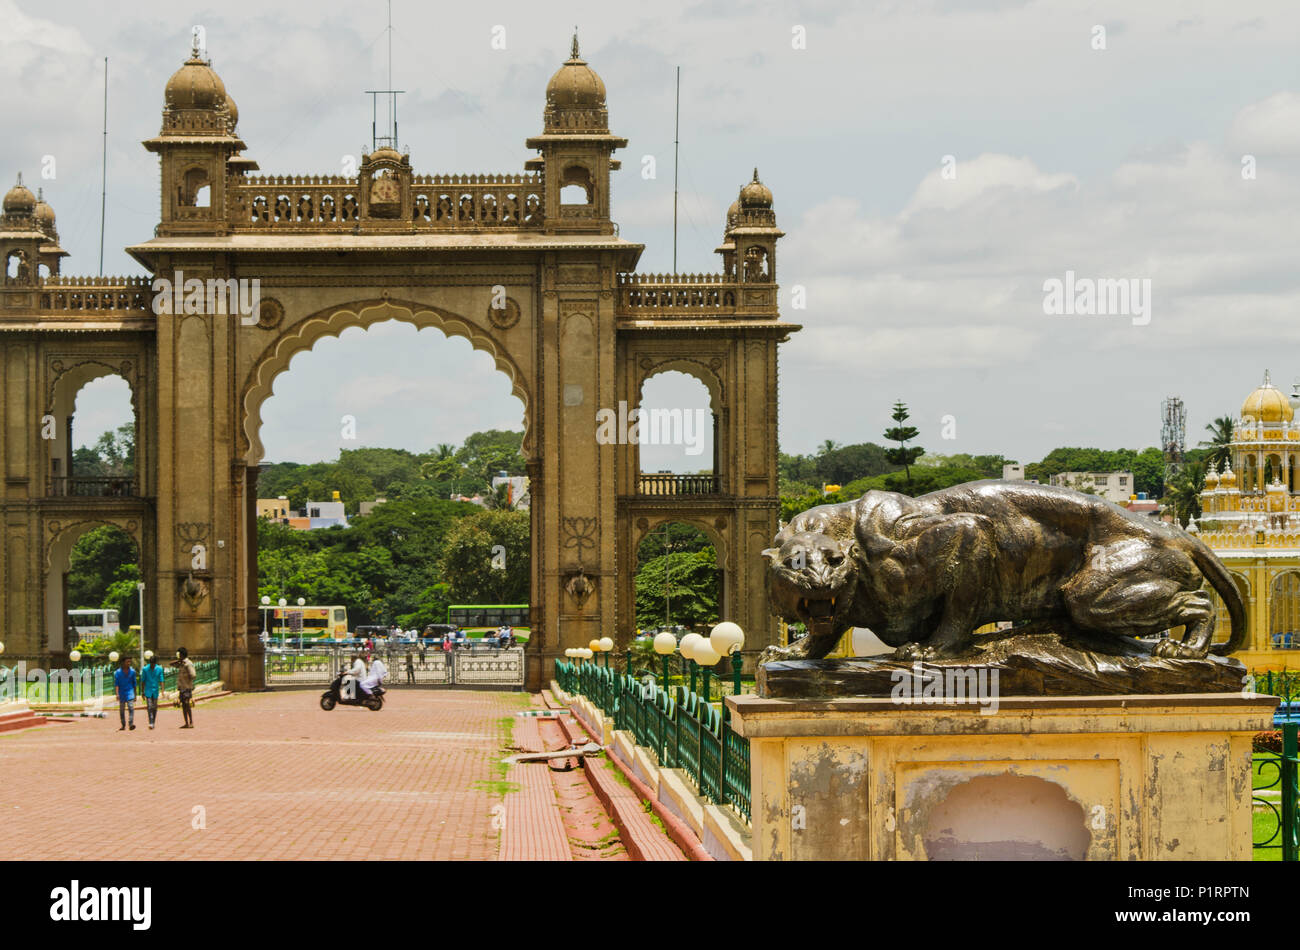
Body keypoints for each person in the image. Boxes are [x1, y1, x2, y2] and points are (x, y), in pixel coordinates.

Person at [171, 647, 197, 728]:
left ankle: (191, 722)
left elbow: (193, 675)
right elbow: (171, 664)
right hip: (181, 688)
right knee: (183, 706)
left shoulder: (188, 664)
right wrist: (179, 661)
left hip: (187, 687)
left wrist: (187, 677)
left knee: (187, 704)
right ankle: (186, 723)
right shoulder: (181, 663)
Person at [140, 655, 166, 729]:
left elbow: (161, 680)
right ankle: (150, 722)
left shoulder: (159, 669)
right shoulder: (145, 669)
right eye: (151, 663)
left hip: (155, 690)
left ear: (155, 663)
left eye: (153, 664)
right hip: (148, 690)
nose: (152, 665)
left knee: (154, 707)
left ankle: (153, 721)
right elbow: (143, 681)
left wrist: (163, 691)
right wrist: (142, 692)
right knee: (149, 706)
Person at [113, 657, 137, 731]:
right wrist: (117, 694)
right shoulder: (118, 672)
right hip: (122, 692)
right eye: (127, 662)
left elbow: (134, 684)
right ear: (123, 662)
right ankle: (123, 724)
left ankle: (131, 724)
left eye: (130, 662)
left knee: (131, 708)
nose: (129, 663)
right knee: (122, 710)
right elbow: (116, 684)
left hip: (130, 692)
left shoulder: (132, 671)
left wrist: (135, 695)